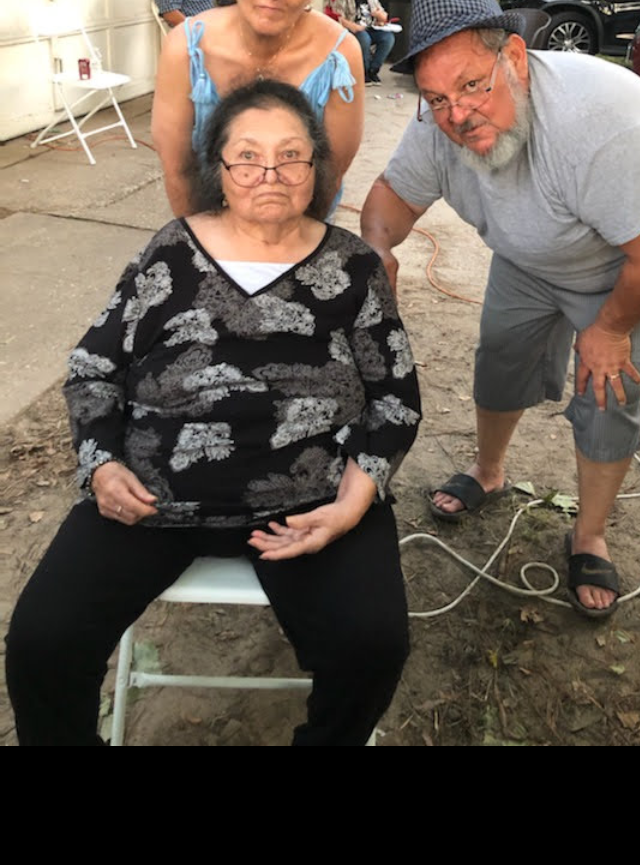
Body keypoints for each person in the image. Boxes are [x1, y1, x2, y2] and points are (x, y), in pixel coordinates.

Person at [6, 81, 422, 746]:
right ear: (219, 171)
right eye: (248, 156)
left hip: (308, 504)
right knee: (42, 642)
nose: (270, 173)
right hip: (152, 501)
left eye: (291, 155)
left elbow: (396, 396)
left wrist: (352, 503)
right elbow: (93, 367)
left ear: (316, 168)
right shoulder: (170, 251)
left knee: (371, 645)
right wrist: (102, 466)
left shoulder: (352, 267)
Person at [360, 0, 640, 621]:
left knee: (606, 390)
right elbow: (391, 197)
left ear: (514, 58)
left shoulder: (596, 124)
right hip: (531, 253)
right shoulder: (440, 122)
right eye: (437, 98)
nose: (457, 114)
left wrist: (608, 329)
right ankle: (489, 473)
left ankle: (590, 535)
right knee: (501, 355)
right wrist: (379, 251)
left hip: (630, 258)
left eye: (472, 86)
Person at [152, 0, 364, 216]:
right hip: (208, 224)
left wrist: (296, 254)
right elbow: (179, 171)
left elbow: (329, 176)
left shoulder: (340, 56)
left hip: (302, 225)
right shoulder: (186, 48)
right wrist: (203, 251)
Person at [335, 0, 397, 83]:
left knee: (388, 38)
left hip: (372, 28)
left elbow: (384, 16)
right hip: (354, 30)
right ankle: (364, 71)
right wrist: (352, 25)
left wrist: (380, 15)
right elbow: (338, 17)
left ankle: (373, 69)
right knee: (364, 38)